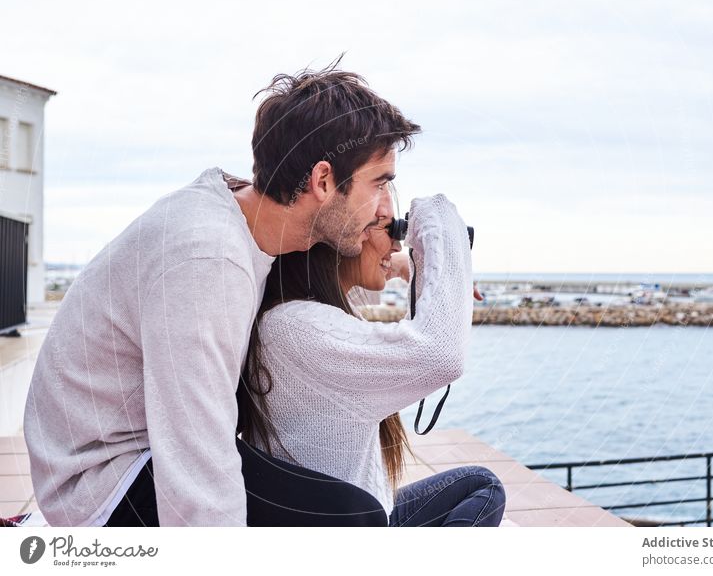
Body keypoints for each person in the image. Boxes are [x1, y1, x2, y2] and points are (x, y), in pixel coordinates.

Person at [22, 58, 421, 526]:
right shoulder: (207, 261)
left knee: (354, 513)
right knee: (351, 520)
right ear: (323, 180)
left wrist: (413, 268)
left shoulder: (250, 218)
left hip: (137, 447)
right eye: (380, 184)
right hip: (102, 482)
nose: (386, 211)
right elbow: (197, 464)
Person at [238, 192, 507, 526]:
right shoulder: (305, 330)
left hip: (348, 511)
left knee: (481, 485)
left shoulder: (290, 314)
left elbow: (383, 268)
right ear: (342, 240)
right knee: (485, 492)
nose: (396, 245)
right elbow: (442, 355)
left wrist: (417, 263)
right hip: (344, 525)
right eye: (387, 229)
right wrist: (437, 220)